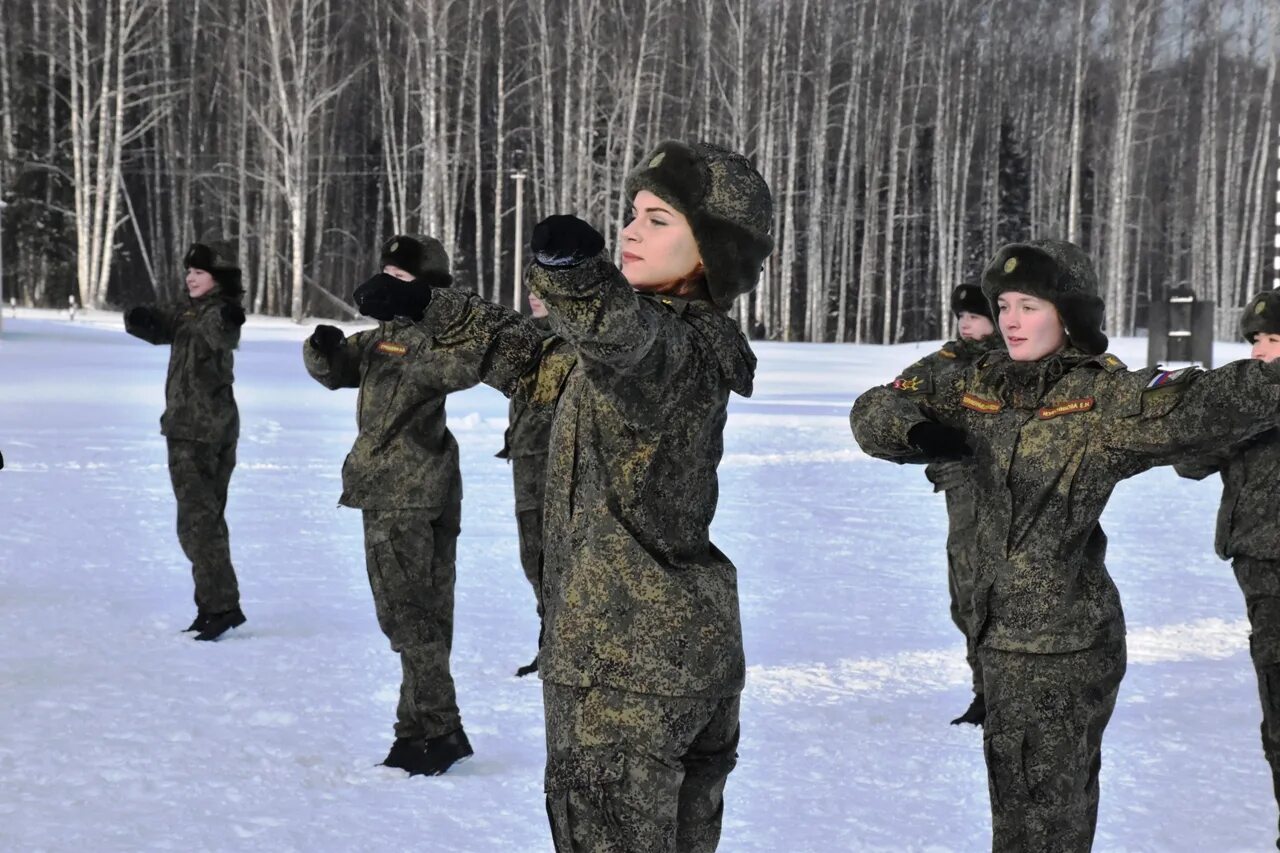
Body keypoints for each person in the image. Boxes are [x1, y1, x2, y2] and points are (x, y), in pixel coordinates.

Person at [354, 139, 773, 851]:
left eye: (660, 219)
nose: (633, 231)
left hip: (624, 675)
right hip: (680, 659)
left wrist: (577, 274)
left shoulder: (673, 353)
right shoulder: (664, 346)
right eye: (631, 214)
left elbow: (623, 337)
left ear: (713, 250)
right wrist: (426, 302)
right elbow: (524, 348)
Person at [850, 239, 1280, 851]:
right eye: (1004, 305)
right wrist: (918, 431)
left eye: (1031, 305)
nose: (1011, 320)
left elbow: (1215, 401)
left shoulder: (1102, 400)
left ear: (1070, 314)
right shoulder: (975, 383)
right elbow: (874, 409)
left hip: (1064, 646)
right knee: (1017, 814)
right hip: (998, 638)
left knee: (1048, 824)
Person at [303, 235, 475, 777]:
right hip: (412, 489)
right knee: (424, 617)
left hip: (404, 493)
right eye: (386, 276)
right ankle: (413, 732)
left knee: (407, 618)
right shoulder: (382, 338)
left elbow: (463, 366)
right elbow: (334, 371)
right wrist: (323, 346)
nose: (386, 286)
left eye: (400, 280)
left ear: (427, 290)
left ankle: (443, 729)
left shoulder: (433, 340)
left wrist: (425, 311)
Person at [1175, 290, 1280, 848]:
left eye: (1275, 339)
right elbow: (1188, 461)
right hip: (1261, 573)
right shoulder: (1243, 395)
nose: (1262, 350)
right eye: (1256, 340)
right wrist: (1229, 411)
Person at [124, 241, 246, 642]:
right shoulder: (187, 310)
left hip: (200, 431)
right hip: (196, 427)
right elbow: (155, 324)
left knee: (197, 524)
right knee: (204, 521)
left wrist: (230, 316)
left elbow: (223, 332)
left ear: (219, 279)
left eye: (199, 272)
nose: (190, 278)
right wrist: (137, 317)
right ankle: (212, 605)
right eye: (188, 271)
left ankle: (222, 606)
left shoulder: (215, 313)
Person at [912, 284, 1004, 726]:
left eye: (976, 315)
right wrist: (916, 431)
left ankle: (1010, 694)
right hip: (964, 500)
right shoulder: (943, 365)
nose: (966, 325)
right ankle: (983, 692)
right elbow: (888, 401)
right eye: (961, 316)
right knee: (967, 597)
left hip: (1018, 498)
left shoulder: (1023, 363)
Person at [494, 292, 558, 676]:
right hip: (527, 458)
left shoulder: (573, 340)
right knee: (533, 555)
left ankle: (565, 643)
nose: (534, 297)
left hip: (557, 459)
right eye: (530, 289)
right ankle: (550, 639)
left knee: (559, 555)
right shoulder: (528, 336)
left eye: (544, 290)